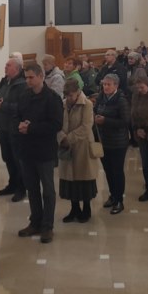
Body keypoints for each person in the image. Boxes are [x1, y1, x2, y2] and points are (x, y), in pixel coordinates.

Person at [15, 63, 64, 244]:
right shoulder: (24, 95)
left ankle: (47, 226)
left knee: (48, 190)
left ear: (41, 77)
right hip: (27, 149)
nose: (28, 81)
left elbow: (56, 124)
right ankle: (35, 221)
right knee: (32, 188)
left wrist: (31, 128)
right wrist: (20, 125)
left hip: (44, 150)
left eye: (31, 77)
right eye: (26, 77)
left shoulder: (52, 98)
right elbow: (17, 115)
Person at [57, 78, 99, 223]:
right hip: (66, 147)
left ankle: (86, 208)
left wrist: (68, 138)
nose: (69, 98)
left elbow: (86, 126)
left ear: (78, 92)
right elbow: (58, 124)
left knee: (83, 178)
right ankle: (74, 208)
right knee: (70, 180)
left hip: (83, 147)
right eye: (67, 95)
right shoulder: (62, 105)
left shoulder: (87, 104)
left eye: (71, 95)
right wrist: (61, 137)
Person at [94, 73, 130, 215]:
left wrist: (105, 121)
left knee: (117, 171)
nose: (106, 87)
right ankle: (113, 195)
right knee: (108, 170)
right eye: (104, 84)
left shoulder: (121, 100)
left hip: (118, 142)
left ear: (116, 85)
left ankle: (119, 200)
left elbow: (125, 122)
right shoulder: (101, 97)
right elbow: (95, 110)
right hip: (104, 140)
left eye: (109, 84)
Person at [0, 57, 28, 201]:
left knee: (17, 159)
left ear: (17, 69)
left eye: (8, 65)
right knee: (7, 157)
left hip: (14, 128)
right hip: (3, 126)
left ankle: (21, 188)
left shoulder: (22, 85)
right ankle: (12, 184)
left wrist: (3, 106)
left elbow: (22, 107)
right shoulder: (4, 81)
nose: (5, 67)